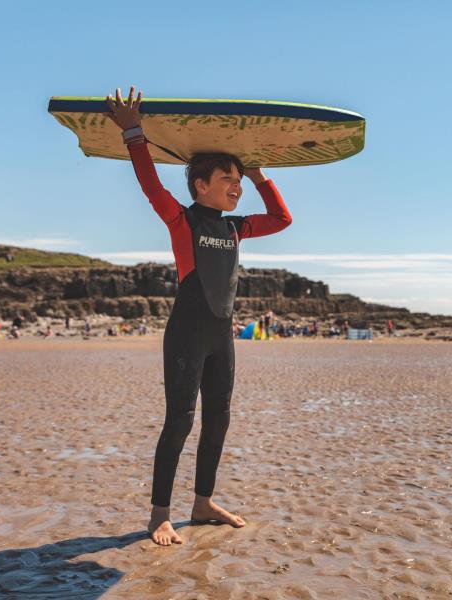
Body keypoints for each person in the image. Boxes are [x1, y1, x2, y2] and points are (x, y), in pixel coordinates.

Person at [106, 86, 292, 546]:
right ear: (200, 186)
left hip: (220, 337)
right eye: (228, 178)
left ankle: (203, 502)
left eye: (239, 180)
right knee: (181, 420)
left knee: (220, 418)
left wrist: (260, 174)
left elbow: (283, 219)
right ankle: (159, 514)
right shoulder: (182, 219)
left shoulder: (237, 227)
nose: (237, 185)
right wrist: (133, 132)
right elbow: (151, 185)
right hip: (187, 334)